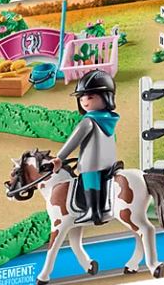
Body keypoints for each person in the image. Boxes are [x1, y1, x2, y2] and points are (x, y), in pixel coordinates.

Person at [51, 70, 120, 225]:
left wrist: (59, 158)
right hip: (109, 160)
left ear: (106, 97)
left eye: (90, 97)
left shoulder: (88, 121)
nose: (85, 102)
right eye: (81, 98)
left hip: (93, 162)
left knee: (89, 176)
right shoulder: (109, 118)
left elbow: (73, 141)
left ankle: (93, 211)